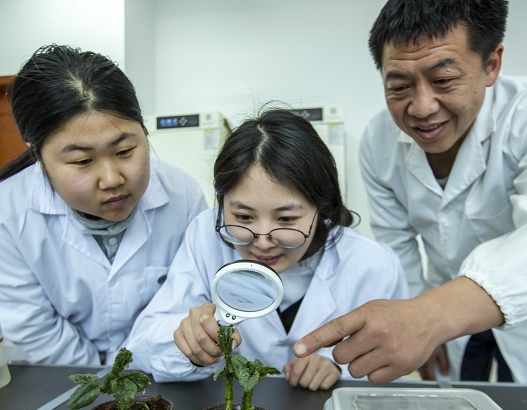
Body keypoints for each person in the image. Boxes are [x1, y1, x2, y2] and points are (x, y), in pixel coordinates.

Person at [294, 0, 527, 385]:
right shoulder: (379, 139)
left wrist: (428, 317)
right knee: (461, 406)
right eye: (399, 86)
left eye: (443, 80)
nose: (422, 108)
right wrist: (414, 311)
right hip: (448, 311)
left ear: (491, 64)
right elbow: (398, 245)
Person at [126, 109, 408, 390]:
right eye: (243, 217)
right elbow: (140, 348)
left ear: (321, 207)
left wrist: (338, 367)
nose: (262, 242)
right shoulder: (205, 236)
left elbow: (393, 365)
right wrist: (188, 344)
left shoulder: (373, 265)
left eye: (286, 219)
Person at [0, 45, 207, 366]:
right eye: (82, 161)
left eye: (125, 151)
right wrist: (104, 379)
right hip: (56, 381)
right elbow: (28, 332)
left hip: (164, 373)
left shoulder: (184, 195)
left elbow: (190, 304)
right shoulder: (0, 214)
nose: (111, 179)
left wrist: (139, 365)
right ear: (37, 152)